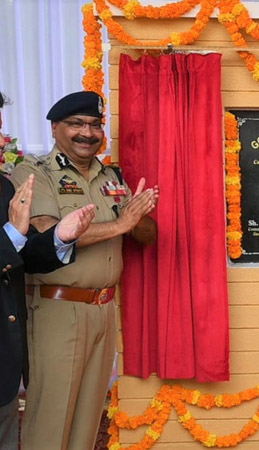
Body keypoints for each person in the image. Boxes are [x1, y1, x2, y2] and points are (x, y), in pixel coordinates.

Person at [10, 91, 158, 450]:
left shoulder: (112, 176)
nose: (87, 133)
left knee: (89, 418)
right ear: (56, 128)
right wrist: (122, 223)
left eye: (94, 125)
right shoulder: (34, 172)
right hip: (58, 308)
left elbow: (148, 234)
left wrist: (136, 218)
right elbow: (48, 231)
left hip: (104, 309)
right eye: (76, 124)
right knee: (51, 418)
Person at [0, 92, 95, 450]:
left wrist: (60, 236)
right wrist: (13, 232)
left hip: (5, 361)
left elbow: (19, 258)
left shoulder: (4, 187)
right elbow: (10, 243)